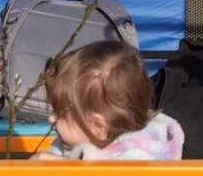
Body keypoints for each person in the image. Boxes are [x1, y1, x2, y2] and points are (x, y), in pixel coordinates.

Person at [38, 41, 184, 160]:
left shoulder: (137, 159)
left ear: (98, 126)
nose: (51, 118)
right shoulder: (73, 140)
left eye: (61, 114)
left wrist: (60, 171)